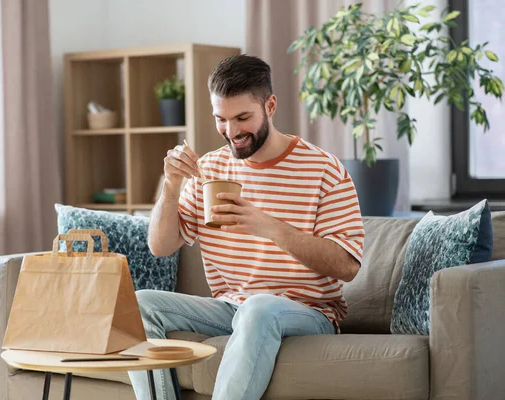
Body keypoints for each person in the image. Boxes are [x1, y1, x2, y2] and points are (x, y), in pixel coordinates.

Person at [128, 54, 365, 400]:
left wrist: (267, 226)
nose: (232, 131)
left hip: (309, 313)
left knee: (259, 307)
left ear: (270, 105)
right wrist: (171, 185)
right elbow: (160, 246)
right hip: (231, 307)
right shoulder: (209, 168)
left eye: (242, 117)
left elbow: (347, 267)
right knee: (138, 304)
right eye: (221, 119)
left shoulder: (324, 170)